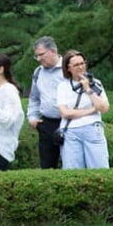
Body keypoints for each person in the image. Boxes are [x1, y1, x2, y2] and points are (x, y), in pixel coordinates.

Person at [57, 50, 110, 169]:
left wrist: (88, 88)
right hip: (70, 131)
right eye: (76, 65)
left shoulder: (96, 83)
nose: (80, 67)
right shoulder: (63, 86)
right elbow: (65, 113)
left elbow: (104, 107)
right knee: (72, 171)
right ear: (68, 68)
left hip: (92, 128)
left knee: (99, 169)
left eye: (82, 63)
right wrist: (91, 110)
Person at [26, 36, 66, 169]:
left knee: (70, 164)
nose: (38, 59)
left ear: (53, 51)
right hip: (46, 124)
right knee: (47, 166)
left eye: (41, 55)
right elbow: (34, 98)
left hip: (68, 123)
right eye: (36, 56)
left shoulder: (68, 69)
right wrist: (32, 117)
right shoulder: (38, 72)